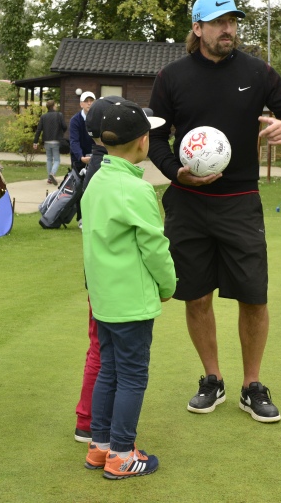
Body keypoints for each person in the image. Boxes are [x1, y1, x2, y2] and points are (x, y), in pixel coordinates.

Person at [147, 0, 281, 423]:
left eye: (233, 21)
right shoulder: (172, 77)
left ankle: (252, 386)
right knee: (196, 295)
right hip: (188, 202)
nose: (229, 29)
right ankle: (212, 379)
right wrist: (176, 173)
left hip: (240, 202)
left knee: (254, 297)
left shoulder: (257, 72)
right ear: (198, 28)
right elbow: (156, 138)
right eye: (219, 22)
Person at [80, 99, 175, 479]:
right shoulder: (137, 190)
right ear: (142, 141)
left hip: (104, 299)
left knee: (110, 371)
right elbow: (155, 248)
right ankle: (121, 454)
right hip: (131, 302)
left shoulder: (96, 181)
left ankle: (100, 447)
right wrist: (168, 285)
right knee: (133, 375)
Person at [71, 95, 122, 443]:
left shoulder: (103, 166)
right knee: (102, 349)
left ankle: (91, 418)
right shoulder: (105, 172)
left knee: (101, 348)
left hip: (102, 277)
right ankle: (89, 420)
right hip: (109, 279)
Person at [33, 99, 67, 184]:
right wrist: (61, 132)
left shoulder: (43, 117)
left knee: (49, 159)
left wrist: (35, 142)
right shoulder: (59, 115)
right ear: (53, 106)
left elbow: (39, 130)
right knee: (57, 160)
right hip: (56, 141)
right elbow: (64, 126)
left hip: (46, 141)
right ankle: (52, 173)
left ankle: (49, 178)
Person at [69, 91, 95, 173]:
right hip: (79, 158)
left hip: (95, 157)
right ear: (81, 104)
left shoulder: (99, 119)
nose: (89, 103)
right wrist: (81, 157)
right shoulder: (75, 120)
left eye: (91, 101)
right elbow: (74, 141)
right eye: (86, 101)